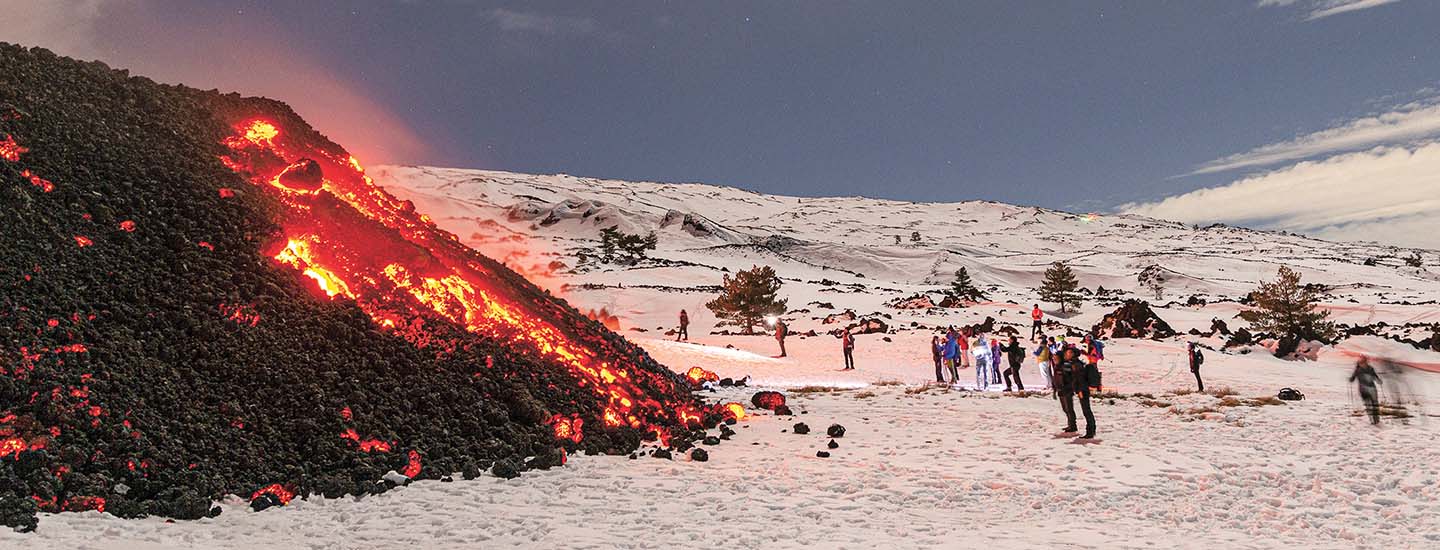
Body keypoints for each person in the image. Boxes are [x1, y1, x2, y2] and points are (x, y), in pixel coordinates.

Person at [1057, 348, 1097, 439]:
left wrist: (1079, 390)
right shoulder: (1074, 363)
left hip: (1082, 390)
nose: (1066, 355)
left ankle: (1090, 432)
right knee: (1086, 410)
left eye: (1069, 353)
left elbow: (1079, 379)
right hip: (1081, 389)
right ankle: (1090, 431)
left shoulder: (1076, 365)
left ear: (1073, 354)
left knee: (1086, 411)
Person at [1350, 357, 1382, 425]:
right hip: (1363, 390)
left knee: (1375, 404)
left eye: (1365, 362)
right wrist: (1351, 379)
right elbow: (1353, 378)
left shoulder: (1370, 368)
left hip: (1372, 388)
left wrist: (1378, 380)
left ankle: (1376, 419)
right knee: (1368, 405)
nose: (1364, 364)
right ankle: (1372, 420)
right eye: (1362, 363)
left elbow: (1375, 376)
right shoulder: (1358, 370)